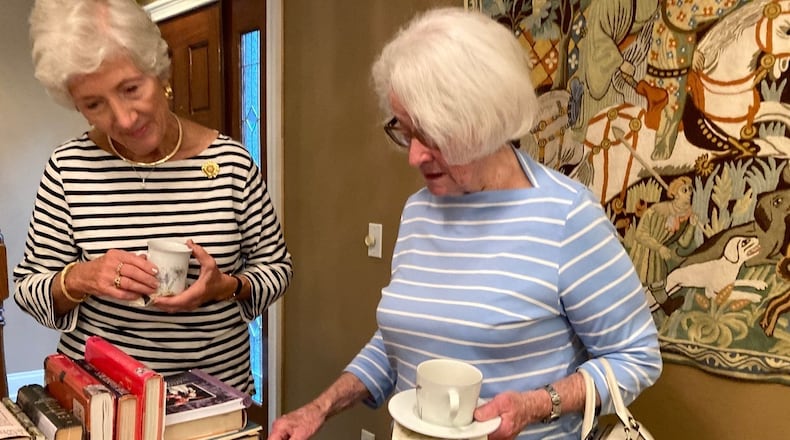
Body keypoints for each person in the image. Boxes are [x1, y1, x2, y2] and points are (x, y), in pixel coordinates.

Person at [268, 7, 661, 440]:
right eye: (406, 131)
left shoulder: (567, 217)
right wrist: (319, 408)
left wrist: (535, 404)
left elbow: (635, 357)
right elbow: (400, 343)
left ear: (485, 122)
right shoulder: (419, 212)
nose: (415, 156)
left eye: (433, 135)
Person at [13, 0, 293, 395]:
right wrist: (81, 277)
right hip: (106, 402)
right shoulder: (67, 168)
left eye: (131, 89)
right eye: (95, 104)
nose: (124, 118)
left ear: (159, 71)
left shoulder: (231, 163)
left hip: (213, 398)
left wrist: (227, 287)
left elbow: (277, 268)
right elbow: (29, 289)